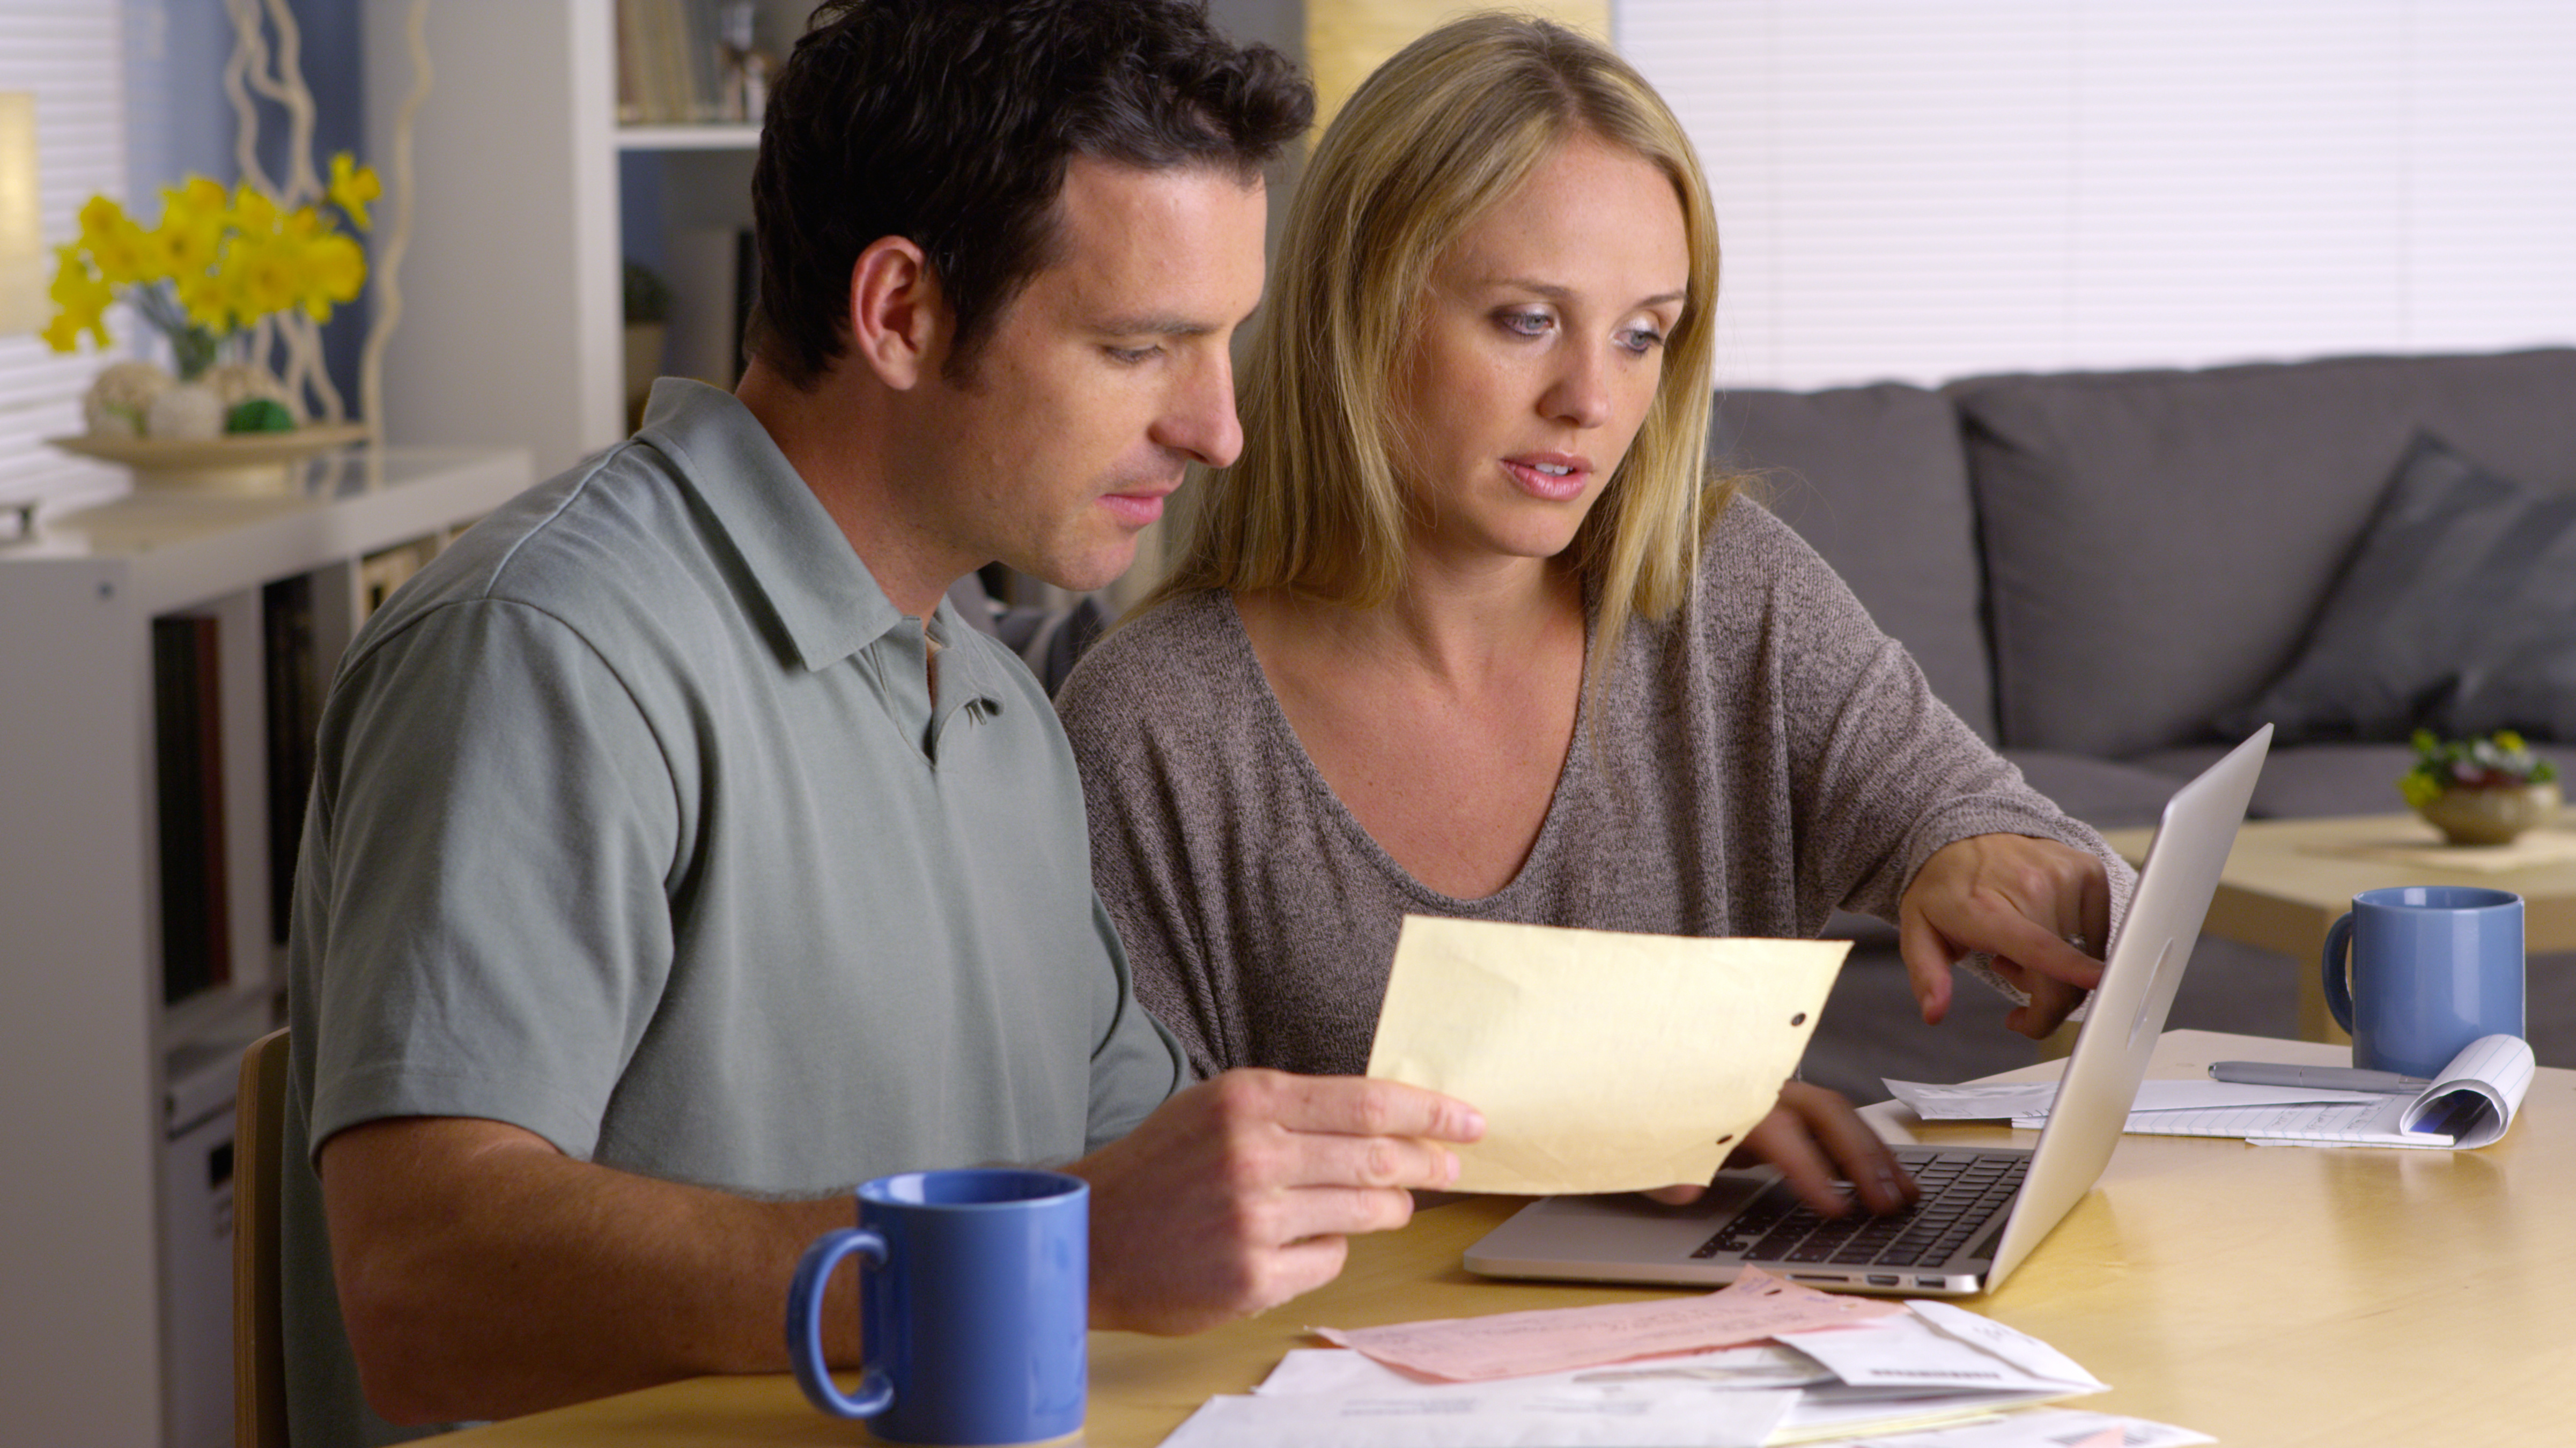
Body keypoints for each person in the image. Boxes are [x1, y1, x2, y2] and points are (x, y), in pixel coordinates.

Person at [280, 5, 1484, 1445]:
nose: (1217, 427)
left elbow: (1154, 1183)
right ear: (901, 312)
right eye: (1139, 346)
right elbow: (426, 1293)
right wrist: (1065, 1253)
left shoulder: (991, 707)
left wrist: (1636, 1140)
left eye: (1222, 343)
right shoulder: (548, 652)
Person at [1056, 13, 2132, 1220]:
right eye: (1525, 319)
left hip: (1715, 1359)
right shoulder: (1152, 723)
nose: (1590, 399)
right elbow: (1143, 1198)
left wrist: (2002, 864)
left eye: (1642, 335)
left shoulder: (1719, 593)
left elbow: (2020, 842)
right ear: (1360, 306)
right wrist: (1620, 1119)